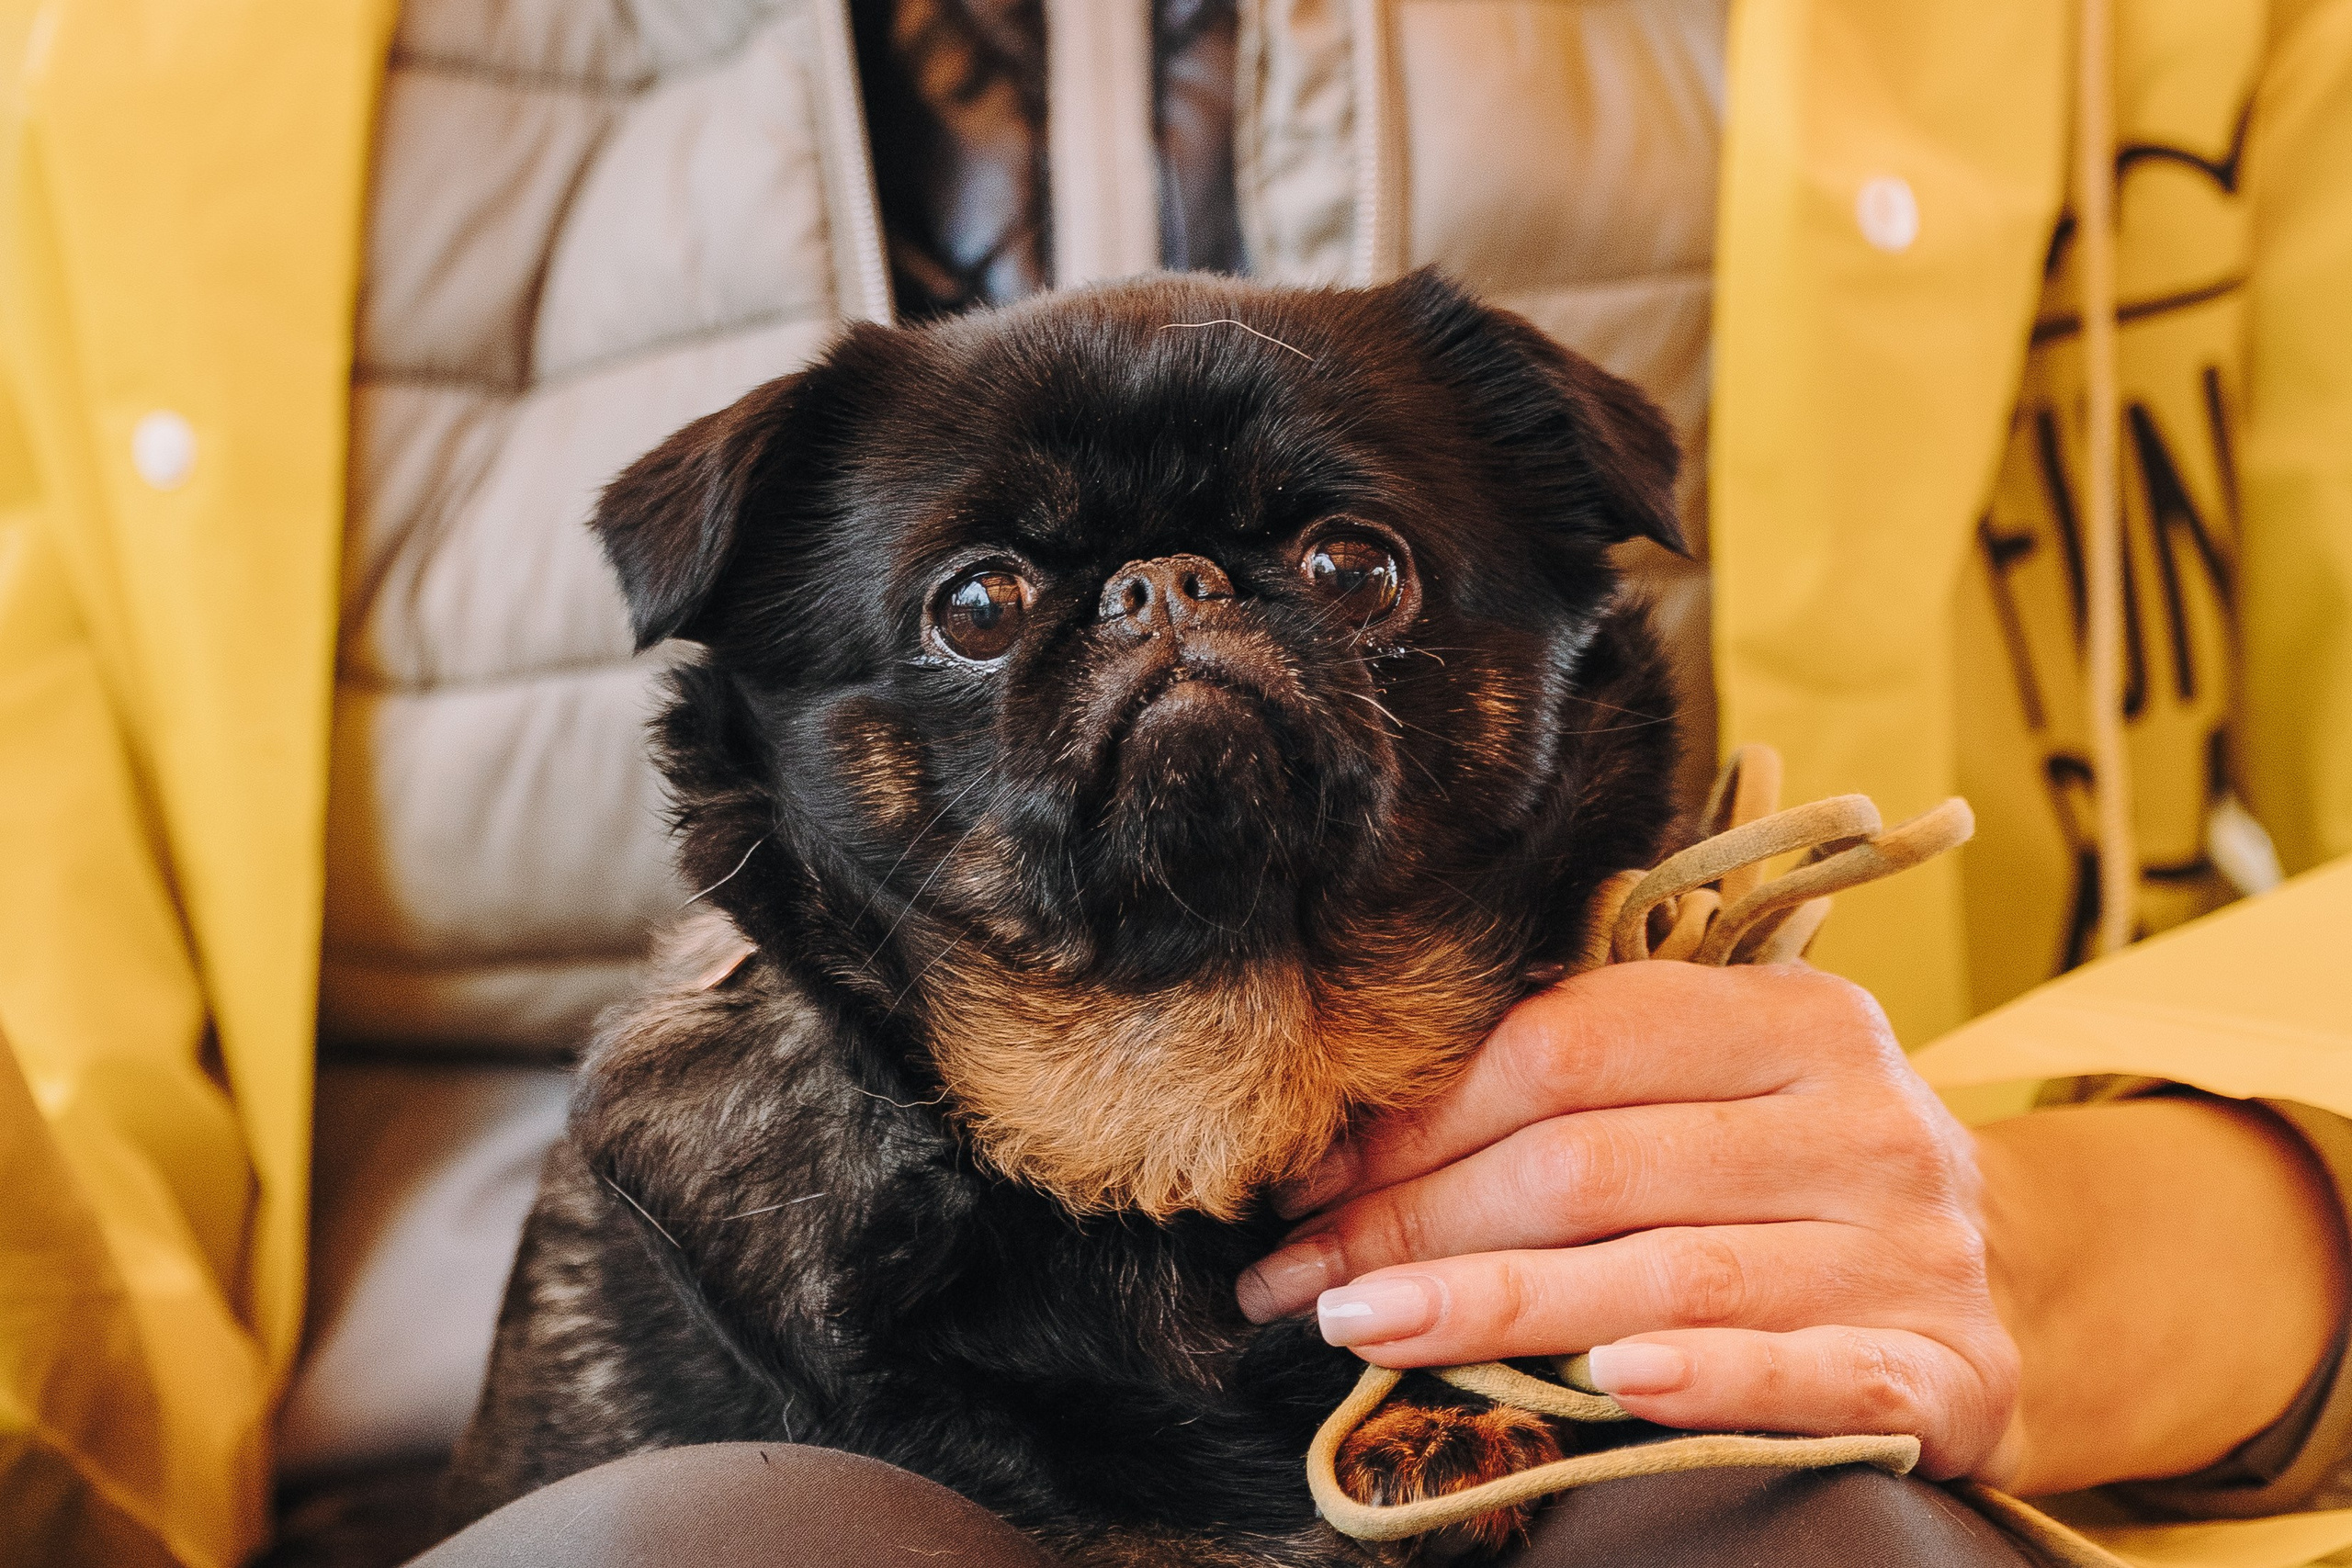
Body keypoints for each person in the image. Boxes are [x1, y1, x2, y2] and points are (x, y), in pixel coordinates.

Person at [2, 1, 2348, 1565]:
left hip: (1694, 1351)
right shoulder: (95, 81)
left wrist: (2107, 1235)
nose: (1170, 622)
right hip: (571, 1423)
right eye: (998, 607)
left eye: (1338, 562)